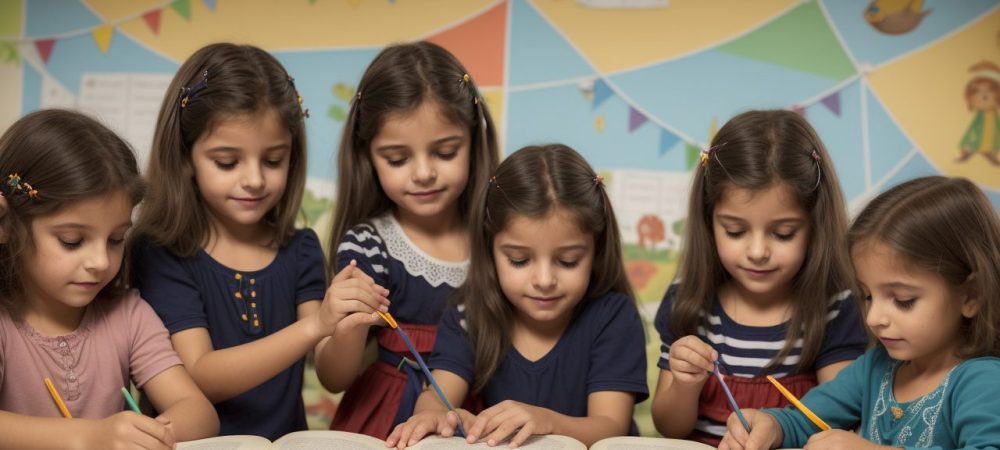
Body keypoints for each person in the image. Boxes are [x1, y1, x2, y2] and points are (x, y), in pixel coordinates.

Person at [131, 43, 388, 440]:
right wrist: (315, 327)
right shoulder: (162, 252)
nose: (254, 179)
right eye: (227, 162)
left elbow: (333, 377)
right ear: (185, 157)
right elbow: (200, 374)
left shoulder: (300, 248)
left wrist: (348, 323)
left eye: (272, 160)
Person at [387, 144, 647, 449]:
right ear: (490, 249)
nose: (544, 281)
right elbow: (438, 396)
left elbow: (609, 428)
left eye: (568, 261)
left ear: (596, 252)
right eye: (520, 261)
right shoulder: (468, 315)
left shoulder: (613, 317)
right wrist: (438, 418)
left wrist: (545, 421)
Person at [720, 176, 1000, 450]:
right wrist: (772, 424)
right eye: (867, 295)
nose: (873, 318)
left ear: (971, 295)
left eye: (903, 300)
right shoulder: (875, 368)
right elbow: (804, 420)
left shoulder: (982, 382)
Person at [0, 109, 218, 449]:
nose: (101, 262)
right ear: (6, 227)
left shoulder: (128, 315)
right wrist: (91, 436)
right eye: (72, 241)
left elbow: (199, 413)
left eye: (116, 239)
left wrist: (150, 435)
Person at [315, 41, 500, 439]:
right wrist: (343, 326)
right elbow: (333, 377)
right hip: (388, 416)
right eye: (397, 159)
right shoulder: (368, 246)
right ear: (368, 156)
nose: (423, 173)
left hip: (477, 412)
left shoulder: (500, 240)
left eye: (445, 152)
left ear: (474, 140)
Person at [652, 110, 868, 445]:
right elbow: (670, 427)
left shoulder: (834, 308)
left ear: (815, 227)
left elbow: (841, 416)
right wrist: (685, 383)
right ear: (709, 222)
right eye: (735, 231)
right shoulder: (688, 302)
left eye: (782, 234)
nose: (757, 251)